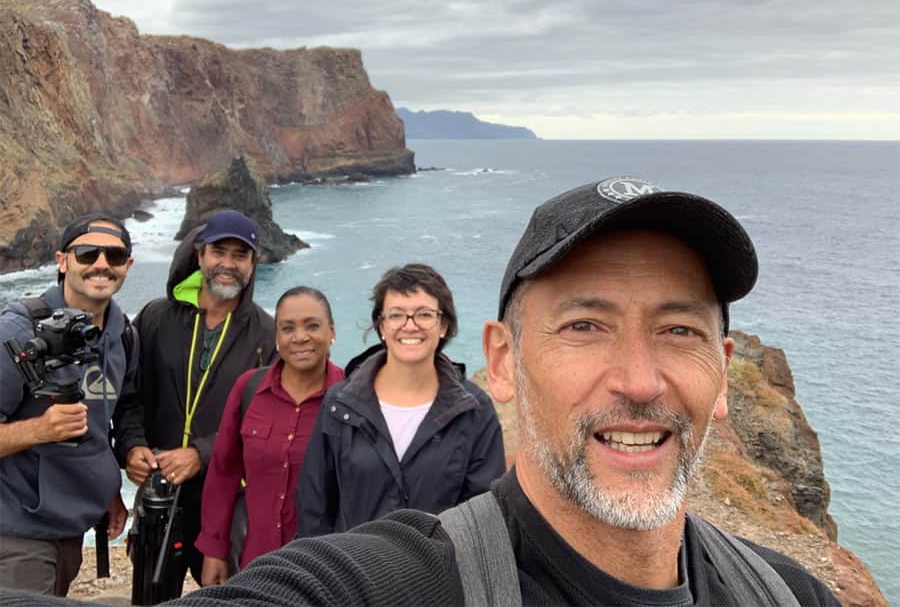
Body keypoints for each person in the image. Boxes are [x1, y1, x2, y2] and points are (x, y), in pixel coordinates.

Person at [0, 178, 840, 606]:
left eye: (678, 329)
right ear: (504, 358)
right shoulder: (406, 579)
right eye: (584, 324)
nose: (640, 378)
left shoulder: (790, 593)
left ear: (724, 370)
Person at [112, 209, 276, 586]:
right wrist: (131, 445)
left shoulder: (266, 335)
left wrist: (201, 454)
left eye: (240, 255)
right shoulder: (155, 317)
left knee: (230, 596)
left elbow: (266, 423)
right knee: (153, 596)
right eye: (219, 252)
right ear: (200, 254)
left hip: (228, 504)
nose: (228, 264)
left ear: (254, 263)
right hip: (159, 494)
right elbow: (128, 394)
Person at [296, 263, 505, 536]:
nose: (410, 326)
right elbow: (315, 507)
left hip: (437, 575)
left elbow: (483, 518)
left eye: (424, 314)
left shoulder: (474, 411)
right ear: (381, 325)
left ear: (443, 325)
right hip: (353, 574)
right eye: (396, 315)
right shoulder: (340, 405)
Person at [0, 214, 136, 596]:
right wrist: (38, 430)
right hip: (17, 532)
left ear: (128, 265)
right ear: (63, 261)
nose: (101, 264)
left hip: (71, 528)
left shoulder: (122, 333)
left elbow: (108, 416)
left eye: (114, 255)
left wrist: (107, 488)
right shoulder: (19, 330)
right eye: (87, 253)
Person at [196, 286, 344, 585]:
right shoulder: (249, 388)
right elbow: (224, 471)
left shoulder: (351, 397)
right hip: (254, 564)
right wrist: (214, 550)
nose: (299, 337)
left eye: (312, 326)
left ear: (332, 332)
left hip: (324, 571)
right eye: (287, 328)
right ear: (276, 338)